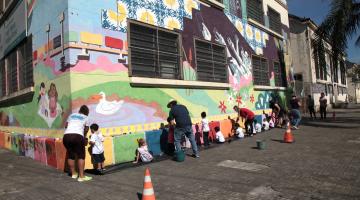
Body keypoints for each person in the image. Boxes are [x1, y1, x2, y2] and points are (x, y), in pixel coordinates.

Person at [63, 105, 92, 182]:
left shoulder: (72, 115)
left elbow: (66, 125)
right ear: (87, 112)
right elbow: (86, 129)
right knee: (81, 156)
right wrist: (84, 137)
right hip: (77, 136)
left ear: (80, 110)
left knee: (70, 155)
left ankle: (73, 174)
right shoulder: (86, 117)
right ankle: (81, 176)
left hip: (66, 136)